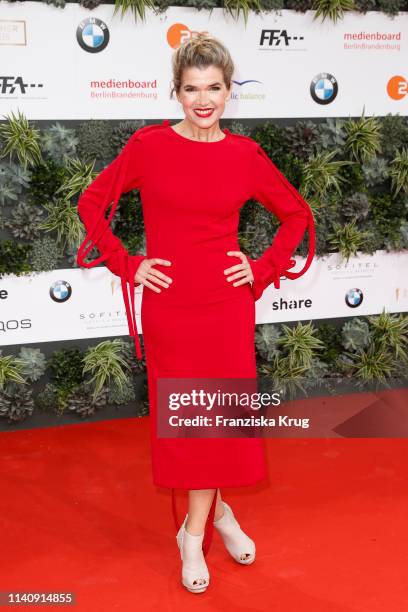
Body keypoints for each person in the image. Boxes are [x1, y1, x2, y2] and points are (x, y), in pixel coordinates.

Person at [76, 33, 315, 594]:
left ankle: (196, 529)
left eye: (214, 88)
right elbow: (91, 202)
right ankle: (213, 520)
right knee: (192, 422)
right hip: (171, 307)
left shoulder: (244, 156)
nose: (202, 100)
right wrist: (127, 263)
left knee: (216, 422)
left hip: (226, 307)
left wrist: (261, 268)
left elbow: (296, 215)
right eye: (191, 89)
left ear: (230, 91)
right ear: (176, 92)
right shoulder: (149, 147)